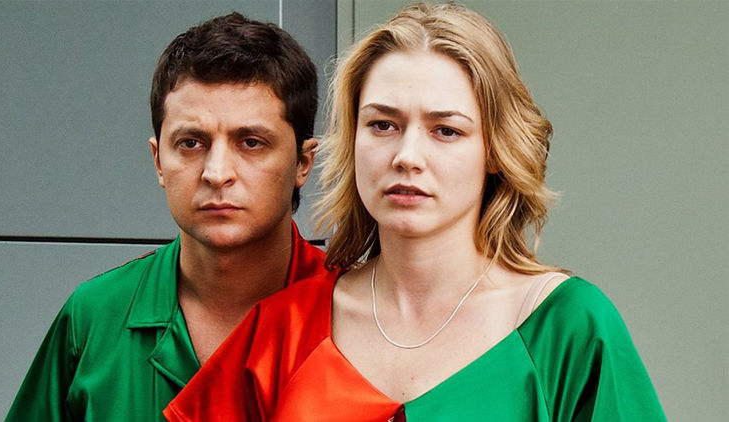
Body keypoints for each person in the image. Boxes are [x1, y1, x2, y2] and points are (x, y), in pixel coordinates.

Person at [164, 3, 666, 421]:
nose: (407, 156)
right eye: (383, 125)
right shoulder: (282, 329)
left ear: (494, 149)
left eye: (446, 130)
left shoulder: (567, 327)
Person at [5, 12, 329, 422]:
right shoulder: (93, 317)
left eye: (251, 142)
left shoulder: (358, 315)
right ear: (159, 161)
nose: (216, 173)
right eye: (191, 143)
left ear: (303, 162)